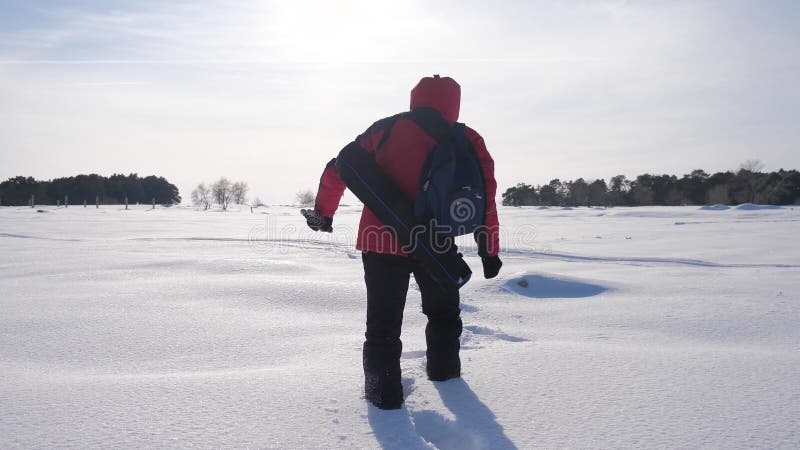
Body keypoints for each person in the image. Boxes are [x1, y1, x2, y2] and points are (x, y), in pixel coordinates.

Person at [303, 75, 502, 409]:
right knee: (444, 316)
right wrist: (488, 249)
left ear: (414, 98)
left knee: (382, 325)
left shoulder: (385, 129)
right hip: (436, 245)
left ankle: (382, 399)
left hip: (378, 242)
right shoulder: (467, 138)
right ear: (455, 102)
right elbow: (487, 195)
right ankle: (446, 377)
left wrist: (324, 214)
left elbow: (339, 168)